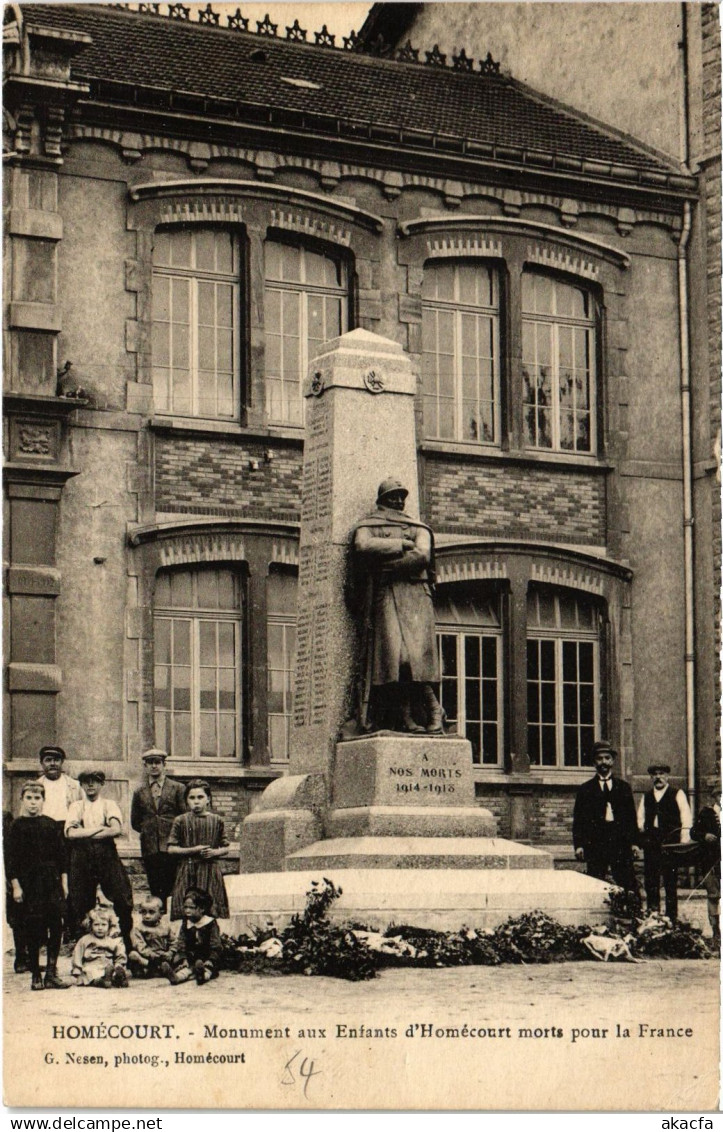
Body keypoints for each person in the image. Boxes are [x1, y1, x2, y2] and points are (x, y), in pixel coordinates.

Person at [349, 478, 442, 734]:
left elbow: (423, 555)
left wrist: (384, 564)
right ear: (382, 500)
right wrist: (400, 545)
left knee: (419, 658)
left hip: (416, 594)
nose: (399, 502)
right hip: (387, 593)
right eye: (393, 497)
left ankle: (434, 709)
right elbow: (362, 544)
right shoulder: (370, 524)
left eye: (402, 497)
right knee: (395, 658)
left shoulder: (418, 526)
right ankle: (405, 715)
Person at [6, 782, 70, 991]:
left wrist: (64, 883)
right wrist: (16, 886)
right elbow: (10, 860)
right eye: (29, 798)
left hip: (51, 881)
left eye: (37, 798)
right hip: (29, 883)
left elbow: (62, 857)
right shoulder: (16, 826)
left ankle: (51, 971)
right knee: (33, 927)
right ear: (22, 800)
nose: (33, 803)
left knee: (56, 925)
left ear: (43, 800)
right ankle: (35, 973)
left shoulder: (51, 824)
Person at [65, 770, 134, 954]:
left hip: (106, 853)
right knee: (80, 900)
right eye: (86, 782)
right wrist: (100, 829)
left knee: (122, 897)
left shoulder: (108, 804)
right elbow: (71, 833)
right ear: (81, 785)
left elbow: (115, 830)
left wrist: (86, 831)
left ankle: (126, 943)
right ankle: (83, 948)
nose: (90, 785)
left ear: (101, 784)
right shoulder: (76, 806)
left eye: (95, 781)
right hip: (81, 855)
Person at [572, 740, 640, 912]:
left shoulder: (623, 788)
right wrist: (579, 845)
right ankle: (597, 917)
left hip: (620, 842)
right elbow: (579, 820)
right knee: (595, 881)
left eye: (607, 758)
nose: (603, 762)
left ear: (612, 761)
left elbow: (631, 818)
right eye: (599, 759)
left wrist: (634, 843)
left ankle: (634, 915)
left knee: (627, 881)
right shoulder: (585, 789)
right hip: (596, 843)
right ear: (594, 762)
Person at [166, 780, 229, 921]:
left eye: (200, 797)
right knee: (186, 911)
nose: (196, 802)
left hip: (210, 871)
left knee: (210, 912)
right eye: (192, 798)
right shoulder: (181, 821)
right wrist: (193, 850)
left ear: (208, 799)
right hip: (188, 870)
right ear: (186, 801)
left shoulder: (217, 820)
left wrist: (214, 852)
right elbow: (171, 849)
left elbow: (226, 847)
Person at [637, 763, 692, 923]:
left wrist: (683, 841)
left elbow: (686, 818)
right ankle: (653, 915)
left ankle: (671, 917)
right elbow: (640, 819)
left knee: (670, 880)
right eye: (655, 775)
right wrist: (643, 837)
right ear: (651, 777)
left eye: (662, 774)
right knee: (651, 879)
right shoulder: (646, 796)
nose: (658, 777)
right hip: (652, 843)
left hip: (670, 843)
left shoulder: (677, 793)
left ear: (667, 776)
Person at [130, 748, 186, 907]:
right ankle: (158, 919)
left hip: (171, 845)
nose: (154, 766)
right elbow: (135, 821)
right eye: (150, 763)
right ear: (145, 766)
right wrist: (151, 832)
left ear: (164, 764)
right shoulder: (139, 792)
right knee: (155, 886)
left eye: (157, 762)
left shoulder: (178, 788)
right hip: (150, 847)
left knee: (173, 884)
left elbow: (183, 816)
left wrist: (173, 837)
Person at [36, 744, 83, 934]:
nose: (52, 763)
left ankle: (72, 926)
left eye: (56, 760)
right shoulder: (37, 786)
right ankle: (46, 928)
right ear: (42, 763)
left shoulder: (73, 785)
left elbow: (81, 810)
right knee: (47, 879)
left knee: (72, 879)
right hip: (45, 835)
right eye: (48, 760)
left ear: (62, 763)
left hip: (67, 834)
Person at [161, 888, 222, 985]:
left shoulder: (210, 923)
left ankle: (202, 976)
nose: (187, 910)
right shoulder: (186, 923)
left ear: (201, 909)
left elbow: (216, 944)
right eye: (185, 907)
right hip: (190, 956)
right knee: (186, 968)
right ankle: (176, 978)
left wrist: (211, 959)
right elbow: (181, 942)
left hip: (206, 956)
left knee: (208, 968)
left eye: (191, 907)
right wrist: (184, 959)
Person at [691, 778, 721, 947]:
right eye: (720, 794)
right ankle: (716, 933)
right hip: (711, 862)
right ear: (715, 796)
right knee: (713, 896)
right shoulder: (707, 813)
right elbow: (694, 832)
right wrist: (705, 836)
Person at [70, 906, 128, 988]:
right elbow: (77, 954)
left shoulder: (111, 940)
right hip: (91, 964)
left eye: (103, 925)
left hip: (108, 964)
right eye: (96, 925)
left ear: (109, 925)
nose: (100, 928)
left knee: (113, 969)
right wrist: (77, 969)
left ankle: (119, 978)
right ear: (90, 925)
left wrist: (119, 964)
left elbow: (120, 953)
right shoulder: (85, 939)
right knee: (89, 973)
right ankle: (101, 982)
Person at [128, 895, 174, 978]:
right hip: (148, 957)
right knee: (133, 955)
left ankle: (160, 969)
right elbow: (140, 946)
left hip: (163, 956)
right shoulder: (138, 928)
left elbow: (173, 941)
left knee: (179, 955)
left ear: (161, 913)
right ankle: (152, 968)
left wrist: (170, 952)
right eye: (144, 912)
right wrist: (152, 955)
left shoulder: (166, 927)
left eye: (151, 912)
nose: (147, 916)